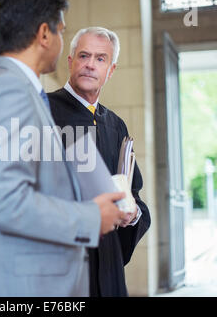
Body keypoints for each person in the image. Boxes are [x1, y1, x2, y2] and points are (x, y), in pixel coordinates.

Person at [0, 0, 128, 297]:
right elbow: (7, 201)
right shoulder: (9, 91)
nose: (63, 42)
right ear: (44, 34)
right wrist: (90, 216)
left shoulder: (18, 90)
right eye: (62, 31)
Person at [48, 27, 151, 297]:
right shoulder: (43, 111)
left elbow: (134, 194)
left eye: (100, 59)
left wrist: (132, 214)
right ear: (70, 61)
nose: (90, 65)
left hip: (108, 265)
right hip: (64, 268)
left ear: (111, 69)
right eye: (83, 56)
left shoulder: (115, 125)